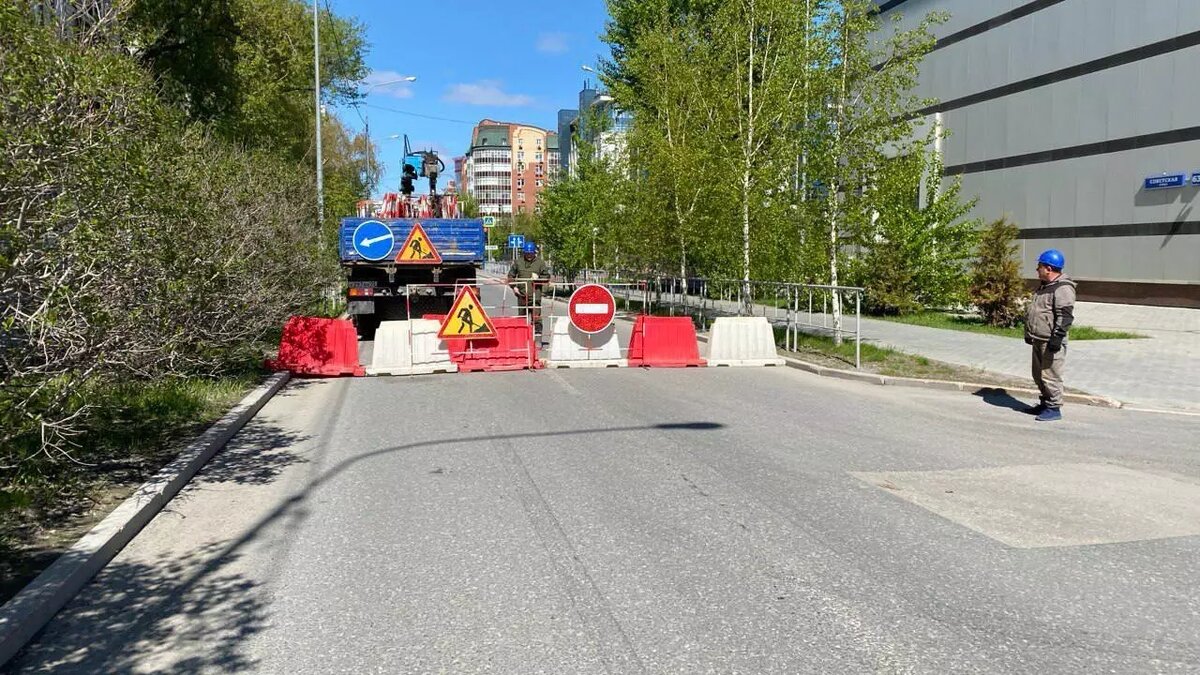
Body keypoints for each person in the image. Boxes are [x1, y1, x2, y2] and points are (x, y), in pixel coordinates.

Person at [1024, 249, 1076, 422]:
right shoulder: (1045, 286)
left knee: (1050, 375)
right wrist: (1029, 332)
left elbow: (1065, 316)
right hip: (1039, 338)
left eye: (1039, 266)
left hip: (1051, 341)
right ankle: (1046, 403)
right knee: (1038, 374)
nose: (1036, 269)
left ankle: (1054, 408)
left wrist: (1057, 338)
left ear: (1048, 268)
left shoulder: (1063, 288)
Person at [507, 241, 550, 339]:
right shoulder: (518, 262)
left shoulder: (540, 263)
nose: (529, 255)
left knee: (536, 318)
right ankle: (522, 340)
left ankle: (537, 339)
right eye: (527, 253)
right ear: (524, 253)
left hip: (535, 296)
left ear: (534, 252)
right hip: (522, 296)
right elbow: (510, 276)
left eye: (531, 253)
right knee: (522, 319)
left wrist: (538, 279)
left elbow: (547, 277)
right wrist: (514, 287)